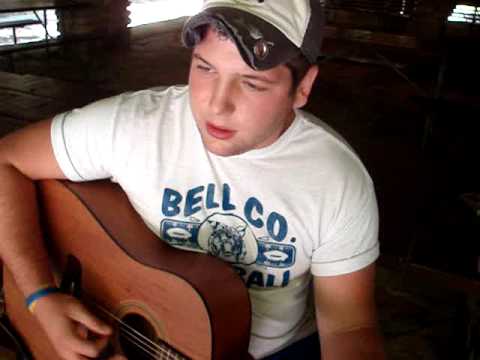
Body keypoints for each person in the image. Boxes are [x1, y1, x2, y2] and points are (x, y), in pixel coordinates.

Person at [0, 0, 385, 359]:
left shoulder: (336, 181)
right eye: (205, 68)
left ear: (303, 87)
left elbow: (349, 325)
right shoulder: (134, 125)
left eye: (251, 83)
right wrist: (41, 296)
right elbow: (6, 161)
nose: (216, 105)